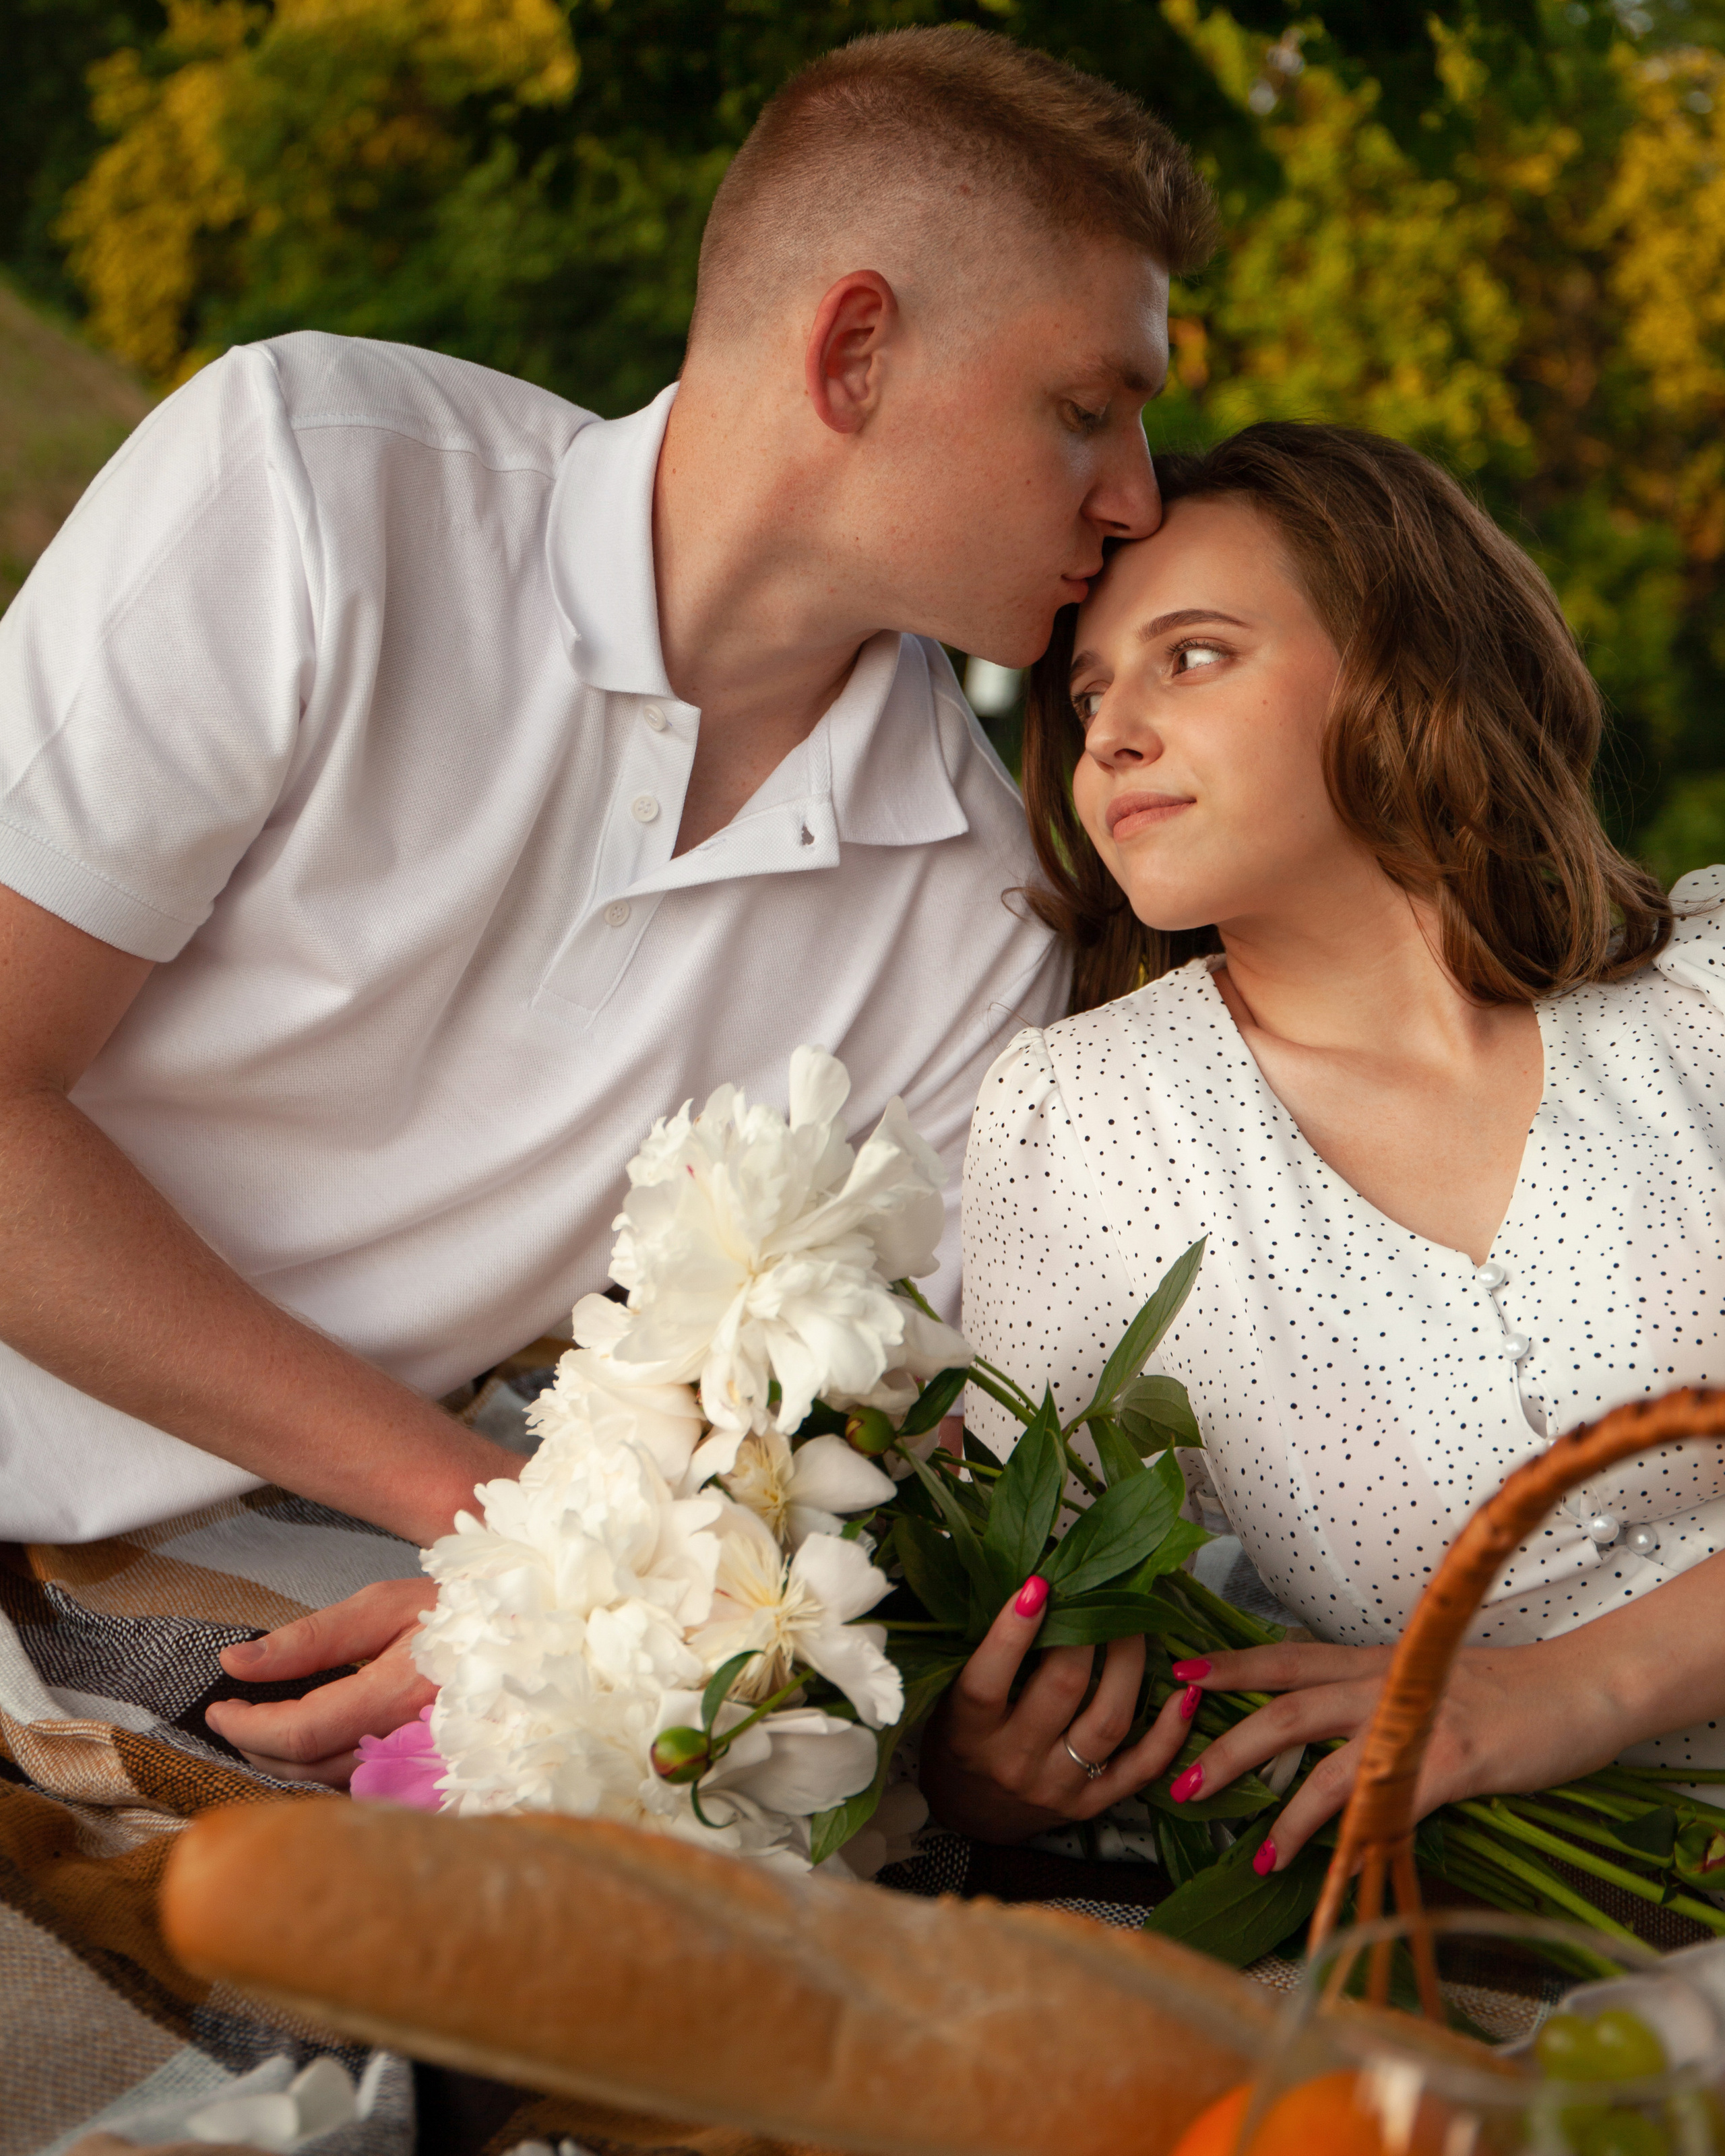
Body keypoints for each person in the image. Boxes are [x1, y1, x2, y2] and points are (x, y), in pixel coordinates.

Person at [0, 26, 1215, 1782]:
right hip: (344, 1501)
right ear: (855, 349)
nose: (1137, 494)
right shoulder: (314, 488)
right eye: (1085, 409)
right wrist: (512, 1528)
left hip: (256, 1571)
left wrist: (584, 1584)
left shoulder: (976, 915)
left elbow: (869, 1463)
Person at [926, 420, 1725, 1872]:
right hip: (1506, 1948)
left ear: (1406, 665)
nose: (1108, 730)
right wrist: (988, 1764)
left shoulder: (1706, 999)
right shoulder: (1087, 1125)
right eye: (1088, 686)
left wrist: (1558, 1690)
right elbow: (1035, 1634)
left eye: (1193, 653)